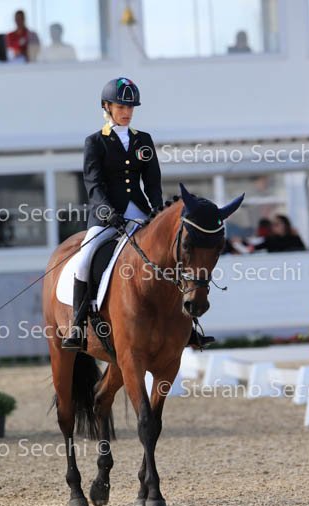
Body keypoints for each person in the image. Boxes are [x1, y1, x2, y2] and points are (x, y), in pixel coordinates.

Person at [62, 77, 211, 350]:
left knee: (171, 257)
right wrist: (108, 212)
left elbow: (152, 182)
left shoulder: (143, 140)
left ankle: (189, 326)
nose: (127, 112)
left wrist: (157, 212)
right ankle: (78, 324)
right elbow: (93, 184)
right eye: (121, 107)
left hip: (141, 214)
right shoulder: (95, 142)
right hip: (107, 216)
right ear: (107, 107)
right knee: (84, 259)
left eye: (130, 107)